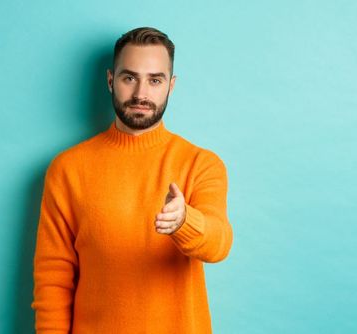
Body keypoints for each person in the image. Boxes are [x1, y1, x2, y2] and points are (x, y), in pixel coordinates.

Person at [31, 27, 233, 333]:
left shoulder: (201, 164)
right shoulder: (67, 169)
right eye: (129, 78)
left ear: (171, 86)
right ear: (111, 80)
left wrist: (184, 222)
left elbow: (218, 243)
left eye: (155, 80)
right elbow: (53, 278)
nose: (141, 94)